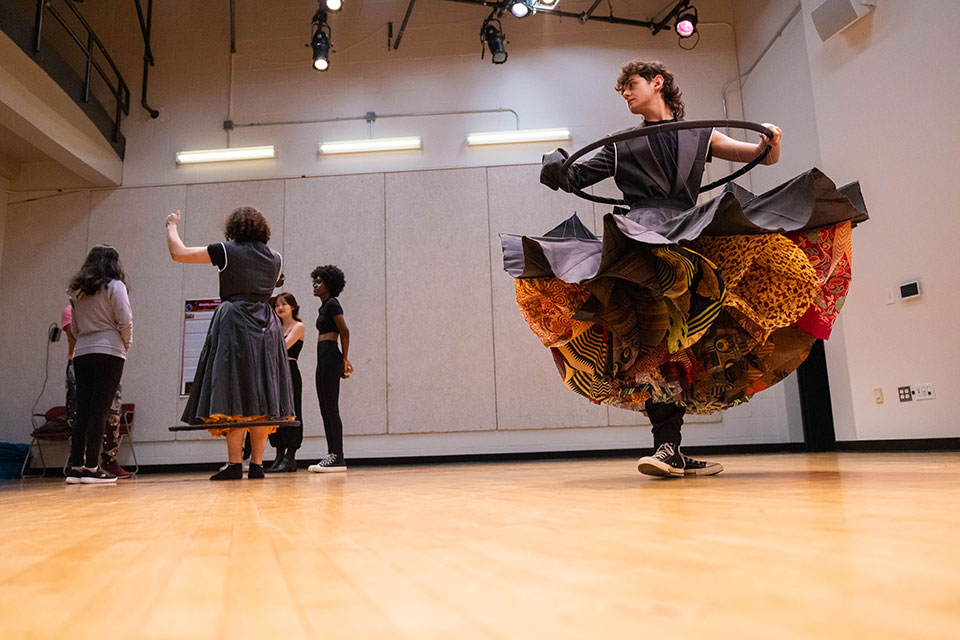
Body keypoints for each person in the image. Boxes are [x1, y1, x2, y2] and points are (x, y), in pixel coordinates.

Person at [502, 59, 867, 478]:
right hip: (639, 238)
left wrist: (772, 140)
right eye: (622, 89)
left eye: (631, 84)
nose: (625, 93)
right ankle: (668, 447)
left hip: (690, 233)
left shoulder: (699, 134)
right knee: (654, 339)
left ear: (658, 83)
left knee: (684, 342)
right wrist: (555, 164)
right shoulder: (619, 145)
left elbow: (760, 157)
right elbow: (573, 177)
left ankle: (670, 448)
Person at [165, 206, 295, 481]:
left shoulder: (226, 250)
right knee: (262, 393)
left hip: (234, 321)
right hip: (266, 323)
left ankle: (235, 464)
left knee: (235, 389)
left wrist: (171, 226)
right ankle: (257, 465)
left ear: (234, 228)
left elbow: (179, 252)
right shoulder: (276, 258)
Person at [64, 245, 133, 484]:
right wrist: (126, 344)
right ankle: (93, 468)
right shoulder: (116, 286)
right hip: (109, 351)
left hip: (82, 352)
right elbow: (124, 320)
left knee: (82, 410)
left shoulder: (77, 291)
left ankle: (76, 468)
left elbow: (74, 328)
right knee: (100, 410)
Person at [307, 265, 353, 473]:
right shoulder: (323, 306)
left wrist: (344, 359)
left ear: (330, 284)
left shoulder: (333, 304)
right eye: (314, 281)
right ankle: (332, 453)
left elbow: (344, 331)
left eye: (320, 282)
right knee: (325, 407)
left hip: (330, 357)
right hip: (323, 357)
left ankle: (337, 456)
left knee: (331, 408)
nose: (315, 285)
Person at [265, 292, 306, 473]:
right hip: (275, 372)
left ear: (293, 307)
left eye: (284, 304)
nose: (280, 308)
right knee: (276, 412)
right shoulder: (274, 327)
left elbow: (282, 347)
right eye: (277, 305)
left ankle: (291, 457)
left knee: (293, 411)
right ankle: (279, 455)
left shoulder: (298, 326)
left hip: (289, 370)